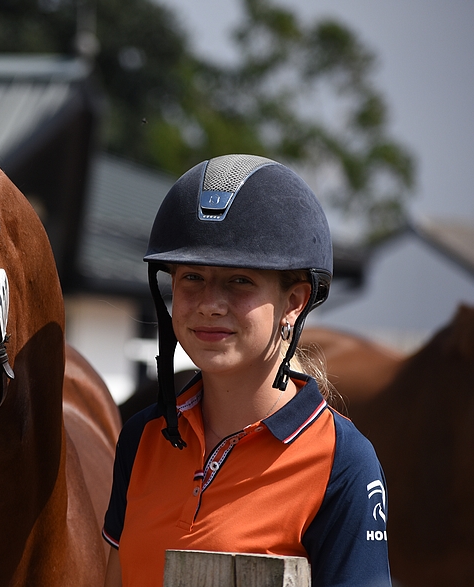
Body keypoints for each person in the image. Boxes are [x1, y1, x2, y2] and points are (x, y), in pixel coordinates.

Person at [102, 154, 390, 587]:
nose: (209, 303)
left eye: (239, 280)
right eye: (191, 277)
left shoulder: (344, 463)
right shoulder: (141, 438)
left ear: (294, 302)